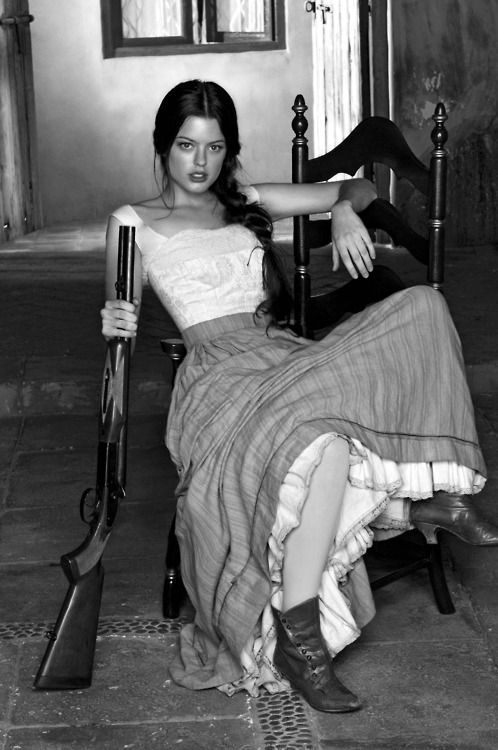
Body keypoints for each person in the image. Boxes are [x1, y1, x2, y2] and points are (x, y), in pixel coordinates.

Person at [101, 79, 498, 713]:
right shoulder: (133, 222)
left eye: (214, 148)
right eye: (185, 146)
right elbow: (120, 312)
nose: (199, 163)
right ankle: (305, 640)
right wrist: (113, 323)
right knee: (327, 444)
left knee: (422, 304)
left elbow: (360, 188)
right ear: (163, 146)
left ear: (229, 152)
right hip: (219, 383)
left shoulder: (248, 201)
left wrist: (341, 209)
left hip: (283, 357)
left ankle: (438, 497)